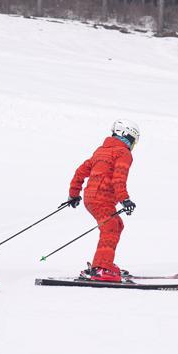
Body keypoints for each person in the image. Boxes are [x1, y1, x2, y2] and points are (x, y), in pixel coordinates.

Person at [66, 119, 139, 283]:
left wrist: (73, 194)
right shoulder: (123, 153)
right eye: (134, 140)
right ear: (126, 136)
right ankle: (102, 269)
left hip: (90, 198)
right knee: (111, 226)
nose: (133, 145)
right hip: (102, 198)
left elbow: (80, 171)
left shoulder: (101, 151)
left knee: (116, 224)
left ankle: (101, 264)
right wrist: (124, 199)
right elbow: (118, 178)